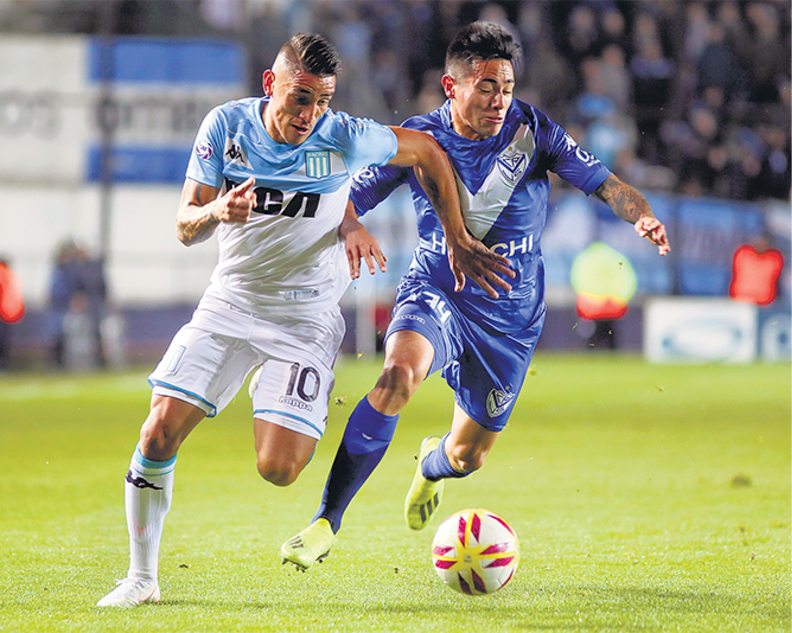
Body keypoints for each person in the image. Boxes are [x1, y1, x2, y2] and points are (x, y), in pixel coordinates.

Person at [97, 32, 505, 608]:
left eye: (323, 100)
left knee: (280, 469)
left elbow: (428, 151)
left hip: (305, 318)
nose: (310, 114)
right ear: (272, 85)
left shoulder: (344, 136)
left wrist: (454, 235)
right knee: (157, 431)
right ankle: (142, 578)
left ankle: (276, 383)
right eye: (301, 98)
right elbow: (186, 225)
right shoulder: (225, 127)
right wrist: (217, 210)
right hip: (230, 302)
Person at [278, 21, 670, 571]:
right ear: (451, 86)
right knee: (397, 378)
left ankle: (431, 465)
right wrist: (351, 226)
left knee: (468, 457)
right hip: (437, 291)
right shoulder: (418, 139)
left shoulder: (534, 131)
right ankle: (325, 523)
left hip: (511, 319)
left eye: (506, 87)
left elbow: (605, 184)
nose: (499, 100)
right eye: (486, 87)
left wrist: (641, 214)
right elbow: (346, 197)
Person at [0, 256, 25, 370]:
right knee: (5, 341)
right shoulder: (10, 274)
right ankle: (4, 364)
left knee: (3, 340)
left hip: (3, 312)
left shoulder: (3, 273)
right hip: (9, 312)